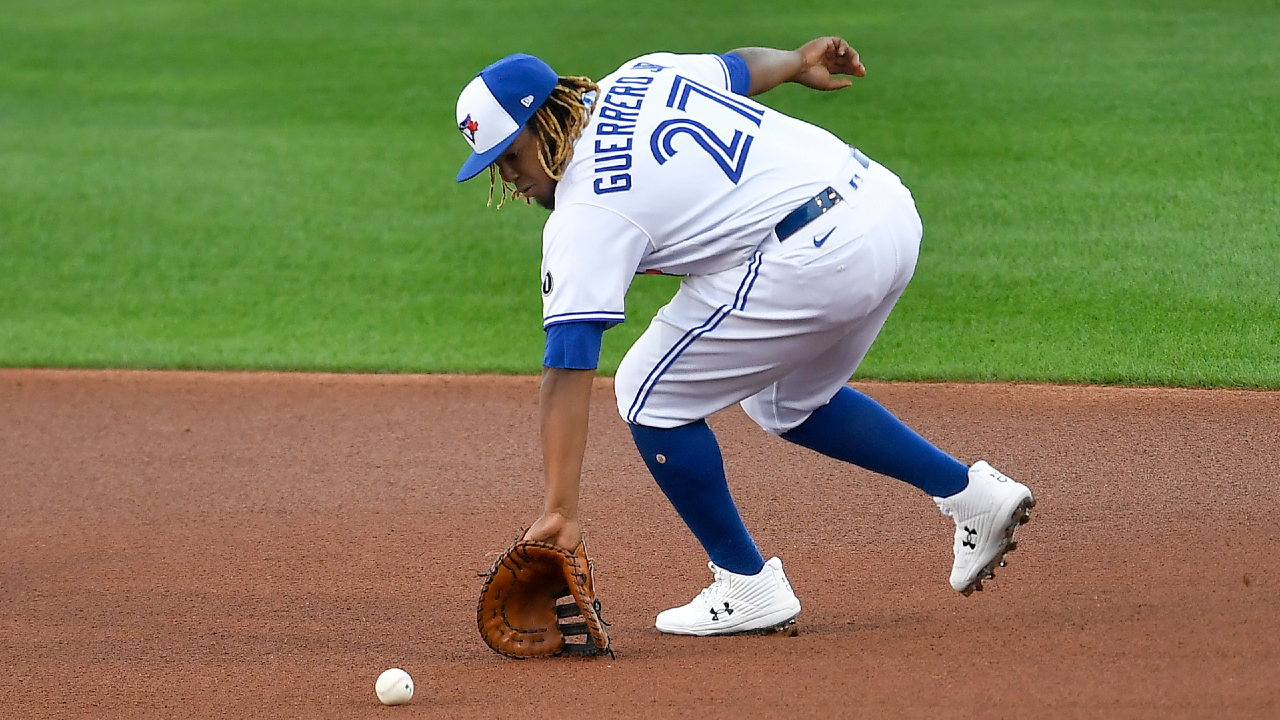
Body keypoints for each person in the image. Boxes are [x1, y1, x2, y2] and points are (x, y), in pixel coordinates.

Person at [453, 37, 1034, 636]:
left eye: (511, 154)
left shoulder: (585, 212)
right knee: (787, 401)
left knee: (649, 396)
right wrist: (798, 62)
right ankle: (969, 495)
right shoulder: (639, 75)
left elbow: (567, 366)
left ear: (545, 122)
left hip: (816, 258)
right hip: (885, 208)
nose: (509, 176)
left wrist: (559, 509)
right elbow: (740, 67)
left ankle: (746, 584)